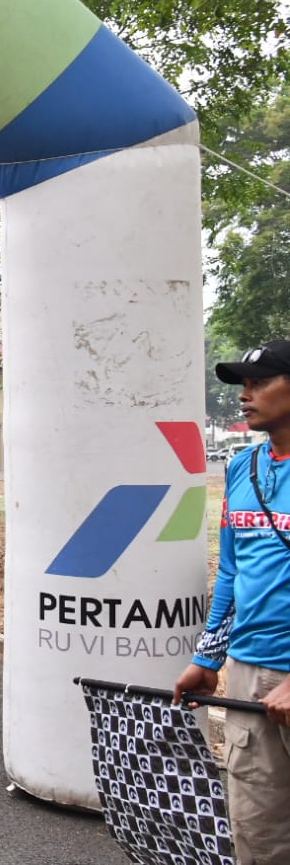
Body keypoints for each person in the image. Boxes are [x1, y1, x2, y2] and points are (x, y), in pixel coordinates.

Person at [173, 342, 290, 863]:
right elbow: (232, 572)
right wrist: (207, 657)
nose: (244, 396)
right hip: (248, 675)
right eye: (241, 384)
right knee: (257, 834)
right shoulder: (243, 468)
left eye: (259, 382)